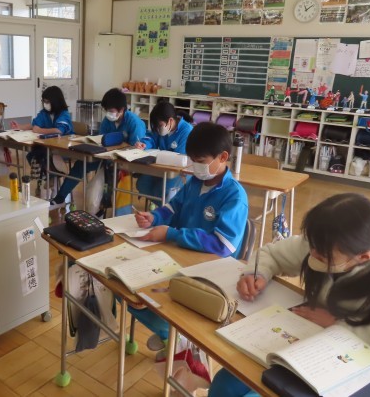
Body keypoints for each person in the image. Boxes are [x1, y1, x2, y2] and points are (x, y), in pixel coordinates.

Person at [210, 193, 370, 397]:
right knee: (224, 386)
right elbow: (272, 254)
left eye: (323, 256)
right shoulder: (325, 240)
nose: (312, 254)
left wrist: (340, 324)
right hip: (307, 342)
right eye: (312, 246)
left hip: (357, 367)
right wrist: (257, 274)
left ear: (364, 257)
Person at [130, 122, 249, 352]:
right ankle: (170, 336)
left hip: (208, 273)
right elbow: (174, 208)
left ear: (223, 157)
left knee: (148, 299)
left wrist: (172, 233)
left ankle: (176, 339)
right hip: (179, 257)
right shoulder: (195, 182)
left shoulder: (234, 196)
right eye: (192, 160)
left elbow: (222, 245)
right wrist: (154, 217)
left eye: (200, 161)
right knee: (130, 293)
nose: (195, 167)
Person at [51, 88, 146, 207]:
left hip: (123, 162)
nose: (108, 114)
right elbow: (101, 139)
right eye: (106, 110)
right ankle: (60, 197)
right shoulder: (107, 120)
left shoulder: (134, 123)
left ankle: (103, 206)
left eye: (111, 110)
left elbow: (136, 149)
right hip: (105, 157)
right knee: (81, 164)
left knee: (110, 174)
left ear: (122, 109)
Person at [10, 86, 73, 195]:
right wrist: (19, 127)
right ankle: (49, 176)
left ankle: (52, 177)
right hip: (48, 147)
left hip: (63, 149)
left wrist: (40, 130)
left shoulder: (64, 114)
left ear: (55, 101)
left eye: (47, 101)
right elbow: (34, 125)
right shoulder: (44, 113)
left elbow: (59, 130)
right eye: (43, 101)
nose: (45, 104)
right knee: (32, 155)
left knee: (45, 156)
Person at [134, 101, 193, 202]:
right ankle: (160, 206)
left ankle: (166, 209)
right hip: (160, 166)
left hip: (179, 171)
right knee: (142, 185)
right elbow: (151, 137)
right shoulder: (161, 128)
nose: (158, 129)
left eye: (160, 125)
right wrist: (144, 144)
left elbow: (180, 158)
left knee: (160, 191)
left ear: (170, 120)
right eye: (156, 126)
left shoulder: (187, 131)